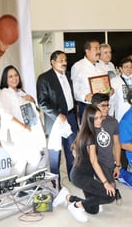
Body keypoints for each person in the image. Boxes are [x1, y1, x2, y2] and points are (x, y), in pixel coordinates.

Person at [52, 106, 116, 223]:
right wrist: (105, 183)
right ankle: (76, 206)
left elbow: (74, 149)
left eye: (100, 117)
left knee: (93, 210)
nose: (100, 120)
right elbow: (94, 162)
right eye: (96, 118)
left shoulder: (85, 131)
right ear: (89, 120)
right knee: (110, 195)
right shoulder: (90, 137)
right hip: (81, 177)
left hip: (80, 174)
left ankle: (66, 197)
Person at [36, 50, 78, 186]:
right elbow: (42, 102)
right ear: (52, 62)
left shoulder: (69, 76)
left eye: (65, 60)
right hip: (55, 120)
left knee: (72, 149)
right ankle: (56, 182)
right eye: (61, 60)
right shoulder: (44, 78)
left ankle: (74, 176)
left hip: (71, 116)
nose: (64, 63)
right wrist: (57, 115)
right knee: (55, 153)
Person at [0, 65, 47, 176]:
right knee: (20, 163)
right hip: (14, 134)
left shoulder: (21, 92)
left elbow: (35, 111)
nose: (14, 78)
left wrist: (32, 101)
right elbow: (6, 115)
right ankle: (16, 190)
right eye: (10, 76)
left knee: (35, 158)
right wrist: (22, 126)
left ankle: (27, 183)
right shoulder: (5, 93)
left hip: (28, 133)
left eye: (15, 75)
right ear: (5, 79)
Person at [91, 93, 121, 189]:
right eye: (103, 106)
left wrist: (117, 165)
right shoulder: (90, 122)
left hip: (109, 162)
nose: (106, 108)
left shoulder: (113, 122)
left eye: (107, 105)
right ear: (94, 107)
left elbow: (116, 144)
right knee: (109, 187)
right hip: (96, 162)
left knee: (111, 188)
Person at [71, 39, 104, 119]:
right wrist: (85, 97)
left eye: (99, 48)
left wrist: (110, 89)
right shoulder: (78, 66)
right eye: (96, 48)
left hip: (102, 105)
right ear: (87, 51)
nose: (98, 51)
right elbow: (75, 90)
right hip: (87, 106)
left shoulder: (101, 65)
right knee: (89, 131)